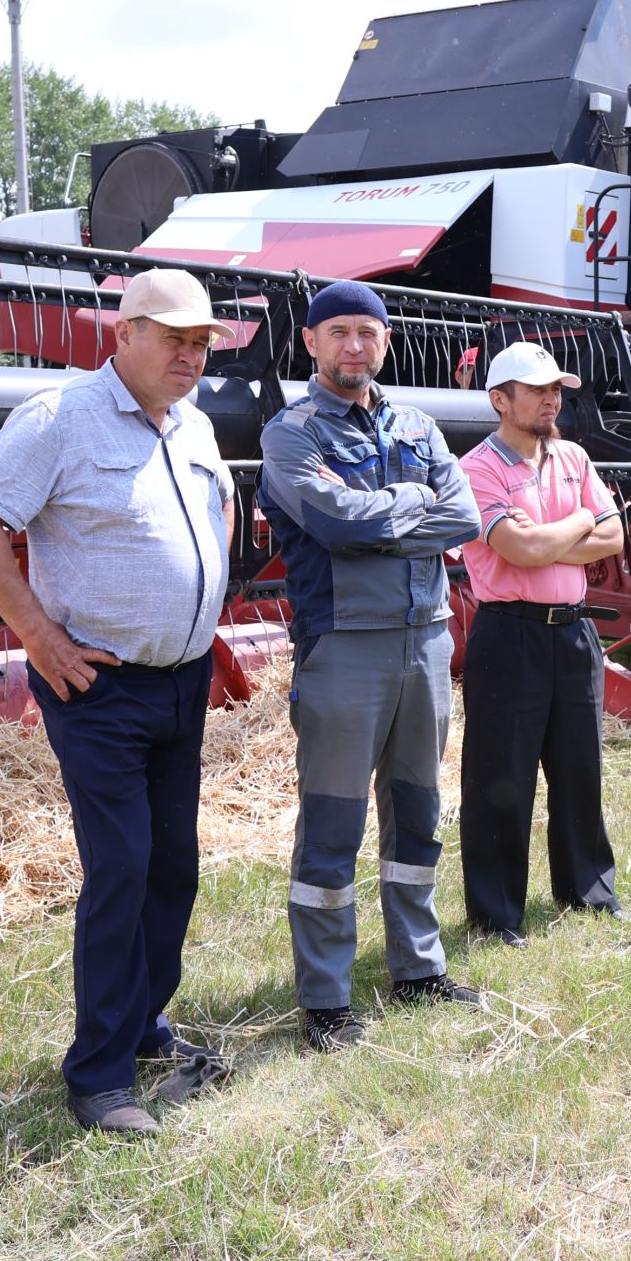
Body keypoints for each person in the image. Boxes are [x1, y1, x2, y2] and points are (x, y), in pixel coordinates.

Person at [0, 269, 235, 1135]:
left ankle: (142, 1023)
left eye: (202, 342)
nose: (190, 354)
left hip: (182, 680)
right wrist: (39, 635)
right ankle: (99, 1078)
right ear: (123, 335)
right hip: (100, 688)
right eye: (174, 339)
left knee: (172, 866)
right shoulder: (59, 417)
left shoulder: (195, 424)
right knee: (123, 869)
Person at [258, 281, 485, 1052]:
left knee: (417, 812)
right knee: (332, 824)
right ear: (313, 344)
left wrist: (380, 513)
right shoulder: (292, 434)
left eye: (369, 332)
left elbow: (467, 517)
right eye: (340, 332)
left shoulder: (418, 424)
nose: (355, 345)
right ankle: (325, 997)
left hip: (426, 642)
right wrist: (412, 506)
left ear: (385, 342)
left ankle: (417, 970)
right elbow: (327, 522)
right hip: (343, 648)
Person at [458, 342, 625, 947]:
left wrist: (558, 534)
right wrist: (580, 521)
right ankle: (497, 914)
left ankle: (588, 890)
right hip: (510, 633)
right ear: (499, 399)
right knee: (501, 775)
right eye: (537, 389)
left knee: (580, 766)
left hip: (573, 630)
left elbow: (614, 537)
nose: (553, 397)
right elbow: (521, 553)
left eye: (556, 387)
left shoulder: (574, 456)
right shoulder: (477, 469)